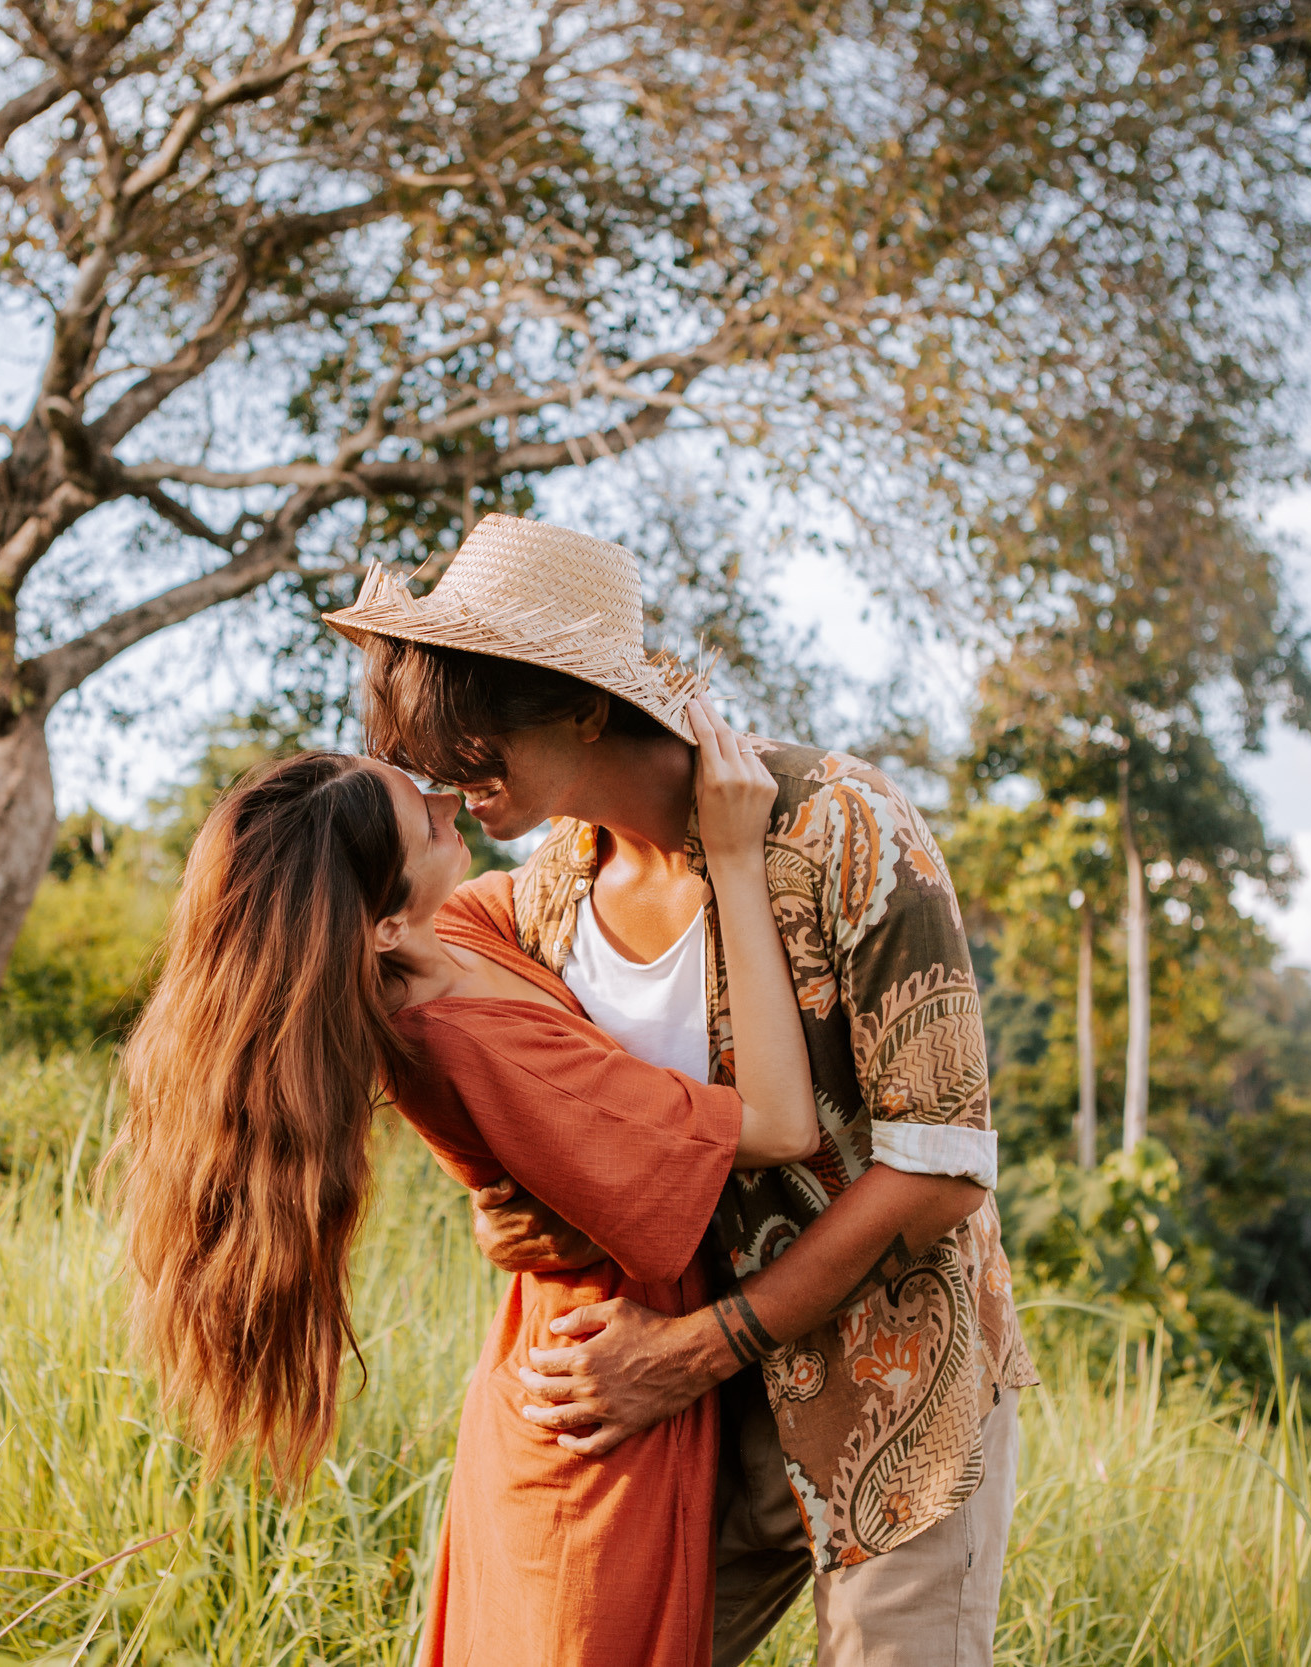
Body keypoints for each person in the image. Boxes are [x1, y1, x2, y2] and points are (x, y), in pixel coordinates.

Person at [323, 514, 1038, 1667]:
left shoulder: (842, 827)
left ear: (582, 708)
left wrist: (700, 1346)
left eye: (475, 744)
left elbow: (942, 1170)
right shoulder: (545, 890)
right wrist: (503, 1195)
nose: (448, 777)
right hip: (685, 1420)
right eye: (430, 754)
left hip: (892, 1381)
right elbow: (492, 1054)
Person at [122, 695, 826, 1667]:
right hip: (594, 1412)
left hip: (581, 1371)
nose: (448, 801)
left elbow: (571, 871)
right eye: (423, 817)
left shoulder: (453, 934)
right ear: (379, 923)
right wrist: (738, 859)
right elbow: (782, 1124)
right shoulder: (468, 1039)